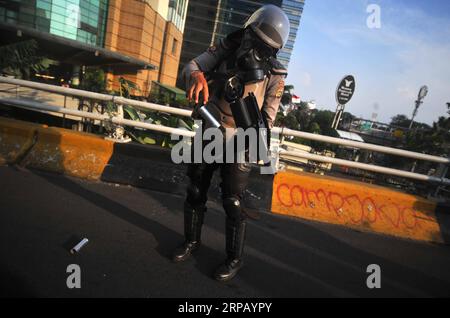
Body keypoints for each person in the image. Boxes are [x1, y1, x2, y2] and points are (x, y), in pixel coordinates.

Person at [172, 4, 290, 282]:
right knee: (195, 188)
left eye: (265, 48)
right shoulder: (227, 47)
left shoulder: (276, 74)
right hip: (212, 126)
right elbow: (193, 64)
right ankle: (191, 242)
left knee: (233, 202)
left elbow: (268, 118)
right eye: (255, 41)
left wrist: (252, 139)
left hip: (243, 137)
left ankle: (234, 259)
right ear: (248, 31)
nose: (255, 51)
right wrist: (198, 75)